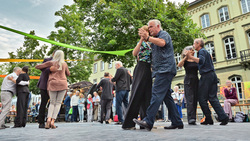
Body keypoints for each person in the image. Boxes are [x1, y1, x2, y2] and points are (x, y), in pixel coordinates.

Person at [133, 19, 183, 131]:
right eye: (148, 27)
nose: (149, 29)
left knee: (155, 94)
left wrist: (147, 38)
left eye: (151, 27)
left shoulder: (163, 34)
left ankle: (148, 120)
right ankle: (177, 122)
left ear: (158, 26)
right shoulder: (153, 40)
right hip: (160, 71)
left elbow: (162, 43)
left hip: (165, 70)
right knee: (167, 97)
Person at [186, 38, 229, 125]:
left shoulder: (201, 51)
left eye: (194, 44)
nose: (193, 45)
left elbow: (201, 60)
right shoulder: (205, 52)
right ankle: (223, 117)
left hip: (206, 76)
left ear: (198, 44)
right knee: (212, 98)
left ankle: (209, 118)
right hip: (212, 75)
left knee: (201, 98)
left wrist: (190, 57)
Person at [122, 25, 152, 130]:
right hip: (141, 67)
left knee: (146, 96)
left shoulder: (151, 42)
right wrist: (140, 40)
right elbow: (134, 53)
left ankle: (145, 121)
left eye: (144, 31)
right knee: (136, 94)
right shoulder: (141, 43)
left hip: (149, 69)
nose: (142, 33)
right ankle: (128, 123)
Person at [35, 50, 70, 129]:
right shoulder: (60, 63)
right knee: (53, 103)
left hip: (52, 83)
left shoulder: (51, 62)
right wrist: (50, 69)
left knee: (52, 103)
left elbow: (37, 66)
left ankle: (48, 120)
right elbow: (68, 73)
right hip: (48, 84)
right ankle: (48, 121)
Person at [178, 46, 199, 125]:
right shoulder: (185, 60)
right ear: (187, 51)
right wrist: (186, 57)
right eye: (191, 50)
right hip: (188, 80)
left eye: (193, 50)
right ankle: (191, 118)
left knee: (195, 99)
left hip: (196, 79)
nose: (193, 51)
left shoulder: (195, 59)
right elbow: (179, 65)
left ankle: (193, 117)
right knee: (190, 99)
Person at [36, 50, 56, 128]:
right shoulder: (47, 60)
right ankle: (41, 122)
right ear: (53, 54)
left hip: (54, 85)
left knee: (53, 103)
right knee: (43, 103)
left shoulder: (60, 62)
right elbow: (42, 69)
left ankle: (51, 122)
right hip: (45, 84)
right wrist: (51, 69)